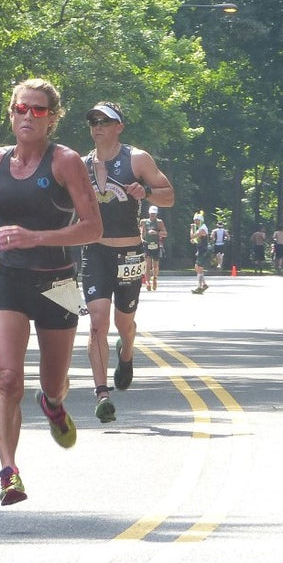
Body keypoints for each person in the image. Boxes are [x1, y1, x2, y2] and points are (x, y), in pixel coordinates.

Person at [0, 78, 101, 507]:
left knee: (52, 381)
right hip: (11, 280)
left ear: (52, 118)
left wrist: (35, 237)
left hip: (57, 282)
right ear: (11, 112)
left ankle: (53, 404)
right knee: (7, 378)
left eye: (39, 110)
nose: (28, 116)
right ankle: (9, 473)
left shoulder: (66, 162)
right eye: (21, 108)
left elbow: (93, 227)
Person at [79, 102, 174, 424]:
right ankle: (101, 394)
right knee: (97, 322)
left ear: (119, 126)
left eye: (104, 121)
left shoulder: (137, 159)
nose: (97, 126)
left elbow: (169, 195)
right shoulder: (80, 164)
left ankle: (127, 350)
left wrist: (145, 191)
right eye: (93, 122)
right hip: (95, 252)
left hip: (130, 253)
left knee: (124, 324)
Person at [140, 205, 167, 290]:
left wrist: (156, 233)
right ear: (149, 213)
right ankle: (148, 282)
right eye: (151, 213)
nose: (152, 215)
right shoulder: (144, 222)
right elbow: (141, 232)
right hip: (147, 244)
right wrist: (142, 240)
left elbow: (165, 234)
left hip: (156, 244)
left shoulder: (159, 222)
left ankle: (154, 278)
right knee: (147, 264)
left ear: (156, 214)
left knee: (155, 265)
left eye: (154, 214)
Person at [190, 211, 210, 293]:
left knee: (199, 268)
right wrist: (194, 241)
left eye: (197, 220)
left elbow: (192, 236)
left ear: (201, 220)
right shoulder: (200, 228)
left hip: (203, 250)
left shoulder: (202, 229)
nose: (195, 222)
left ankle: (199, 287)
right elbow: (197, 239)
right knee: (197, 267)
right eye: (195, 220)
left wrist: (191, 229)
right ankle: (204, 284)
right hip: (200, 250)